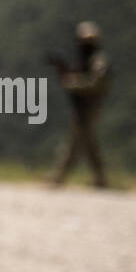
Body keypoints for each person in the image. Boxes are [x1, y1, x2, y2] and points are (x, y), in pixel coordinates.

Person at [49, 21, 109, 188]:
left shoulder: (98, 61)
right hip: (82, 107)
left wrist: (72, 82)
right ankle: (99, 178)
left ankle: (59, 178)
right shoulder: (86, 60)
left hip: (90, 107)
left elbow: (96, 83)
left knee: (78, 142)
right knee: (86, 143)